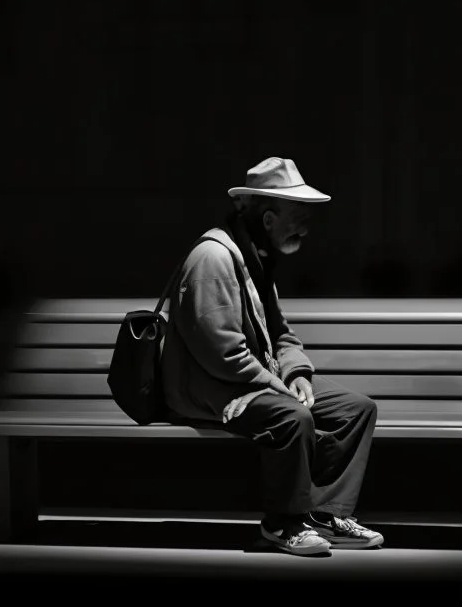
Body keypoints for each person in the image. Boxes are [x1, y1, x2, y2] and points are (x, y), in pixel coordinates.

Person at [160, 157, 384, 556]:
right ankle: (282, 524)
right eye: (297, 217)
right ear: (267, 219)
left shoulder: (256, 258)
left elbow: (280, 332)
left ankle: (324, 514)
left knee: (355, 409)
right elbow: (220, 353)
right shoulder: (213, 258)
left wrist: (296, 373)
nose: (305, 228)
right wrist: (277, 387)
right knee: (293, 416)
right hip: (209, 388)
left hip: (249, 380)